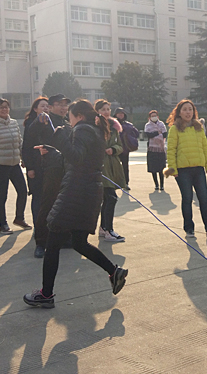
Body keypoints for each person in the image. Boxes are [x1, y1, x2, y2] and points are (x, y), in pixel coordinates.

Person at [23, 99, 129, 308]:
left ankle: (46, 294)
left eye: (70, 117)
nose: (68, 121)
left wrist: (60, 136)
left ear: (78, 116)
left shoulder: (82, 129)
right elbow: (76, 160)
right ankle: (114, 271)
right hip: (88, 191)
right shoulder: (93, 130)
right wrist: (53, 152)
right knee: (79, 242)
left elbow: (76, 157)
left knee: (53, 243)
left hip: (76, 192)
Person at [166, 100, 207, 238]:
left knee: (204, 198)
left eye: (190, 109)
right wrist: (173, 169)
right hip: (182, 171)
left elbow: (204, 148)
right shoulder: (174, 129)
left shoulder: (199, 128)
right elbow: (171, 150)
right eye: (184, 109)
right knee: (187, 198)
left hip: (198, 169)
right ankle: (189, 228)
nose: (188, 112)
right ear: (179, 112)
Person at [28, 94, 70, 258]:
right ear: (50, 107)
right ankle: (41, 242)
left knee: (64, 205)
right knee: (46, 206)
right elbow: (30, 139)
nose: (63, 107)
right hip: (50, 170)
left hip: (66, 169)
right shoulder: (44, 120)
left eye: (65, 105)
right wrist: (31, 166)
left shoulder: (67, 123)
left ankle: (63, 238)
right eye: (59, 104)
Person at [0, 98, 30, 234]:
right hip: (0, 165)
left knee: (23, 191)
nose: (4, 109)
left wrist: (23, 158)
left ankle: (19, 218)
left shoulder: (14, 123)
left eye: (6, 107)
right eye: (1, 107)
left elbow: (19, 142)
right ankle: (3, 224)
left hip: (14, 164)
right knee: (2, 195)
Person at [95, 99, 126, 243]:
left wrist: (113, 149)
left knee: (108, 199)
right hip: (101, 167)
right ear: (97, 112)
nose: (106, 112)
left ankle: (104, 228)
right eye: (103, 109)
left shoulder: (114, 127)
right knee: (111, 198)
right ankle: (109, 230)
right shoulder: (94, 127)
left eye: (108, 109)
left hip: (113, 166)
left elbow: (120, 146)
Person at [22, 97, 50, 236]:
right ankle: (38, 227)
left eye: (47, 106)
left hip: (50, 166)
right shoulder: (31, 125)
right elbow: (26, 147)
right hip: (36, 166)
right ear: (35, 109)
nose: (45, 108)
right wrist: (30, 168)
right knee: (38, 197)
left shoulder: (50, 123)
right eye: (42, 106)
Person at [113, 107, 139, 191]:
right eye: (119, 113)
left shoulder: (128, 125)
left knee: (125, 166)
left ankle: (126, 183)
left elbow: (136, 133)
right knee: (115, 167)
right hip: (115, 148)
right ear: (115, 114)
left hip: (125, 149)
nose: (121, 115)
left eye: (122, 113)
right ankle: (115, 182)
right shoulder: (112, 123)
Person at [144, 110, 167, 191]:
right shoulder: (148, 125)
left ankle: (162, 185)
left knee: (161, 168)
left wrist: (154, 134)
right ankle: (156, 184)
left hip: (160, 149)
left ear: (158, 116)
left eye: (155, 116)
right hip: (152, 149)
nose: (154, 117)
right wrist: (158, 132)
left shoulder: (161, 124)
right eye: (152, 116)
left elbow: (165, 134)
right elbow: (148, 135)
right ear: (149, 118)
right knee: (153, 168)